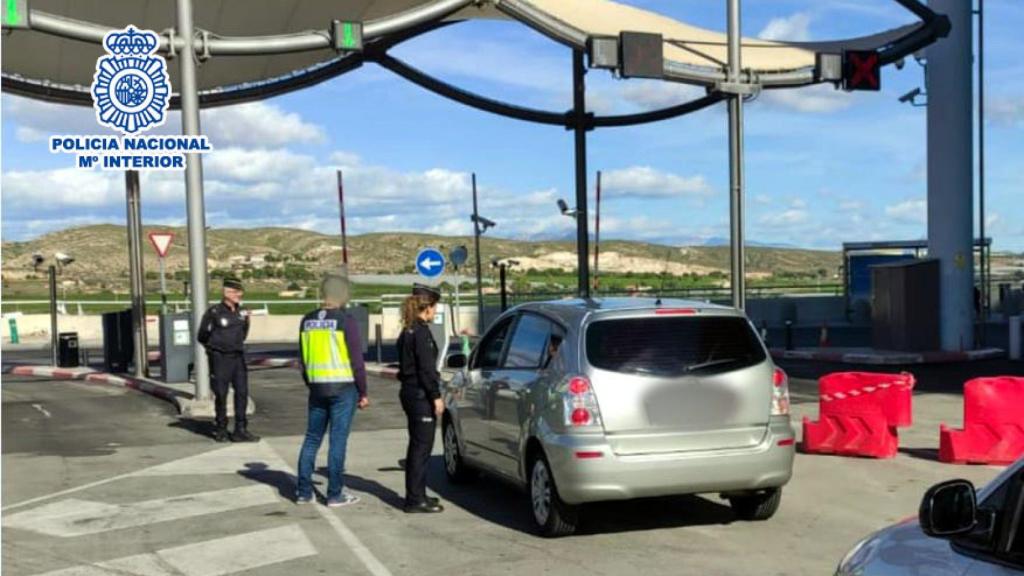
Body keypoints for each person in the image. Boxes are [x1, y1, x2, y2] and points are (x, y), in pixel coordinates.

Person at [295, 274, 369, 507]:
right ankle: (335, 493)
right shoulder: (346, 321)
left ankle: (304, 492)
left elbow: (303, 359)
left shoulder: (306, 321)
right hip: (343, 388)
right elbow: (357, 361)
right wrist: (363, 391)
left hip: (317, 387)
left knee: (311, 439)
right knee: (337, 441)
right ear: (342, 295)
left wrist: (311, 382)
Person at [397, 284, 445, 513]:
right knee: (421, 448)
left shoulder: (408, 330)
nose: (436, 312)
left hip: (409, 391)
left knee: (418, 446)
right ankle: (415, 499)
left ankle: (418, 494)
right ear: (427, 308)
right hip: (419, 395)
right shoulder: (421, 332)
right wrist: (435, 397)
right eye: (435, 308)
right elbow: (426, 370)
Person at [197, 277, 258, 443]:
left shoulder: (242, 312)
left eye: (240, 291)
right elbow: (202, 335)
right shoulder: (214, 312)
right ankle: (221, 428)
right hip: (220, 358)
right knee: (221, 394)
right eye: (236, 292)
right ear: (227, 292)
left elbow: (243, 333)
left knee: (242, 393)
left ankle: (240, 429)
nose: (240, 294)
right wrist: (213, 349)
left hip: (237, 356)